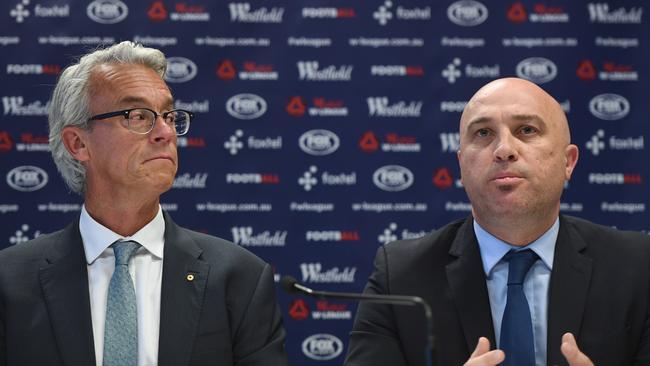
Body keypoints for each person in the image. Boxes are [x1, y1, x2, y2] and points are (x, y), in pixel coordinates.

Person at [0, 41, 288, 366]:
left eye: (168, 115)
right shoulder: (9, 282)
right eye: (138, 116)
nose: (165, 132)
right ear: (78, 143)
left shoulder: (240, 278)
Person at [344, 78, 650, 366]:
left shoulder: (639, 268)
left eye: (527, 130)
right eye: (483, 133)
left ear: (567, 162)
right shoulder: (399, 276)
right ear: (461, 166)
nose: (504, 149)